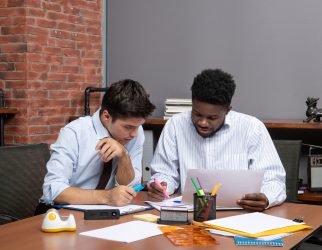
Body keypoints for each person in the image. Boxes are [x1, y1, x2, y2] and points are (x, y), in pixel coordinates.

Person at [147, 69, 286, 211]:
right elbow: (165, 173)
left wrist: (266, 197)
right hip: (191, 217)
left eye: (212, 118)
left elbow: (274, 179)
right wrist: (162, 185)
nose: (203, 123)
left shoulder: (252, 128)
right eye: (197, 114)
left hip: (240, 216)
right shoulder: (175, 125)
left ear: (228, 110)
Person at [41, 79, 155, 208]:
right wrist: (107, 197)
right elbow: (54, 191)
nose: (134, 134)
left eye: (138, 126)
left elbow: (130, 188)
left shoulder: (135, 132)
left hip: (106, 212)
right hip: (63, 212)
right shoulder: (74, 133)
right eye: (128, 127)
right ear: (106, 116)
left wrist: (124, 156)